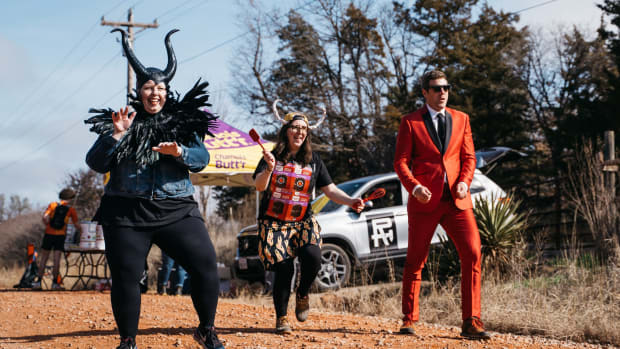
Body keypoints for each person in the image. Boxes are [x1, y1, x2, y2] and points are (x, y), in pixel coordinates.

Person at [85, 29, 224, 349]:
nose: (155, 92)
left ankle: (206, 329)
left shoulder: (183, 122)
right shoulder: (120, 121)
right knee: (126, 277)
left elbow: (201, 159)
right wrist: (116, 136)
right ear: (139, 90)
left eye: (160, 87)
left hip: (176, 209)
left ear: (167, 91)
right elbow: (95, 162)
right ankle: (128, 340)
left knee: (205, 266)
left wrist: (180, 153)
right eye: (148, 86)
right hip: (126, 213)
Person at [393, 70, 490, 339]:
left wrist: (464, 182)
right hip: (425, 200)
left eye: (446, 87)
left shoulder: (462, 119)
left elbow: (469, 157)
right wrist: (414, 187)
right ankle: (409, 319)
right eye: (436, 88)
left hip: (457, 200)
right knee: (416, 260)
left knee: (472, 252)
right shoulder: (410, 122)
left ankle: (472, 321)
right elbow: (400, 162)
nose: (442, 92)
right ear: (425, 92)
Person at [253, 100, 364, 334]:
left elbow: (331, 190)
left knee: (313, 256)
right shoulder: (271, 155)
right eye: (295, 128)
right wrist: (269, 169)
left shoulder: (314, 160)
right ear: (286, 131)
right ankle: (282, 318)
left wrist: (352, 201)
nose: (299, 132)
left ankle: (303, 294)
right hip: (274, 222)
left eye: (303, 130)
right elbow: (259, 186)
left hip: (303, 220)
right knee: (284, 269)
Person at [32, 188, 82, 290]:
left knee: (44, 259)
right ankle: (55, 283)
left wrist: (48, 225)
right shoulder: (71, 209)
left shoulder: (52, 205)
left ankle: (38, 282)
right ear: (70, 198)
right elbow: (77, 225)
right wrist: (82, 231)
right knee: (56, 260)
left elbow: (44, 217)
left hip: (48, 234)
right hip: (60, 236)